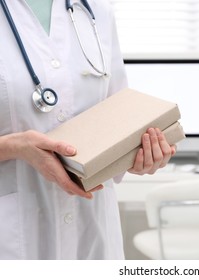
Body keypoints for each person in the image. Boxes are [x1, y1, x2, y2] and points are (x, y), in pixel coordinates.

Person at [0, 0, 175, 259]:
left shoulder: (96, 10)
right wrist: (16, 146)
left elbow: (119, 111)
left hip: (93, 230)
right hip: (14, 236)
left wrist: (141, 153)